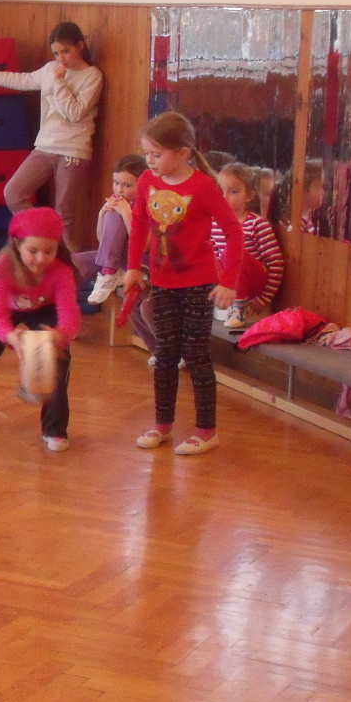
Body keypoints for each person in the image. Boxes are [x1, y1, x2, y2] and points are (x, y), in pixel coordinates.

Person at [124, 112, 244, 457]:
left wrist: (228, 282)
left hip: (199, 284)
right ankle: (162, 424)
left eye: (157, 154)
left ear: (183, 152)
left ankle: (207, 430)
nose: (150, 161)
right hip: (163, 282)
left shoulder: (203, 187)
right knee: (164, 354)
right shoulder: (147, 181)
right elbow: (140, 224)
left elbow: (234, 232)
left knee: (195, 354)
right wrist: (133, 268)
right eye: (147, 153)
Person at [0, 207, 81, 452]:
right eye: (33, 251)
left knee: (58, 365)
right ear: (18, 245)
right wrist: (11, 336)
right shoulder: (3, 266)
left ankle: (55, 429)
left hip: (45, 308)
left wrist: (60, 335)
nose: (40, 259)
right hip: (5, 309)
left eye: (49, 251)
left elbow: (70, 315)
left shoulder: (62, 272)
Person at [0, 21, 103, 247]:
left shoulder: (92, 76)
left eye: (66, 51)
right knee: (14, 192)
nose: (61, 58)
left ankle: (68, 263)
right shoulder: (51, 69)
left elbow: (74, 113)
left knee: (64, 214)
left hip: (73, 151)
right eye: (56, 53)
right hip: (45, 146)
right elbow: (22, 80)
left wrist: (59, 83)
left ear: (80, 46)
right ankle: (42, 237)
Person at [215, 162, 284, 330]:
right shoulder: (214, 224)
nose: (225, 196)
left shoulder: (257, 225)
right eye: (221, 190)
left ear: (249, 196)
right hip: (228, 286)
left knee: (233, 251)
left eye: (233, 191)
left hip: (254, 287)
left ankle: (239, 308)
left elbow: (276, 264)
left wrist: (262, 300)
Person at [83, 153, 147, 303]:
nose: (119, 190)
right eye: (116, 183)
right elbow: (103, 241)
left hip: (137, 261)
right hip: (113, 259)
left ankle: (109, 273)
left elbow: (144, 247)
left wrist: (126, 214)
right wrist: (102, 214)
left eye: (127, 185)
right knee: (71, 263)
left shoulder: (146, 205)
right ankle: (108, 273)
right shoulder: (120, 202)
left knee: (115, 213)